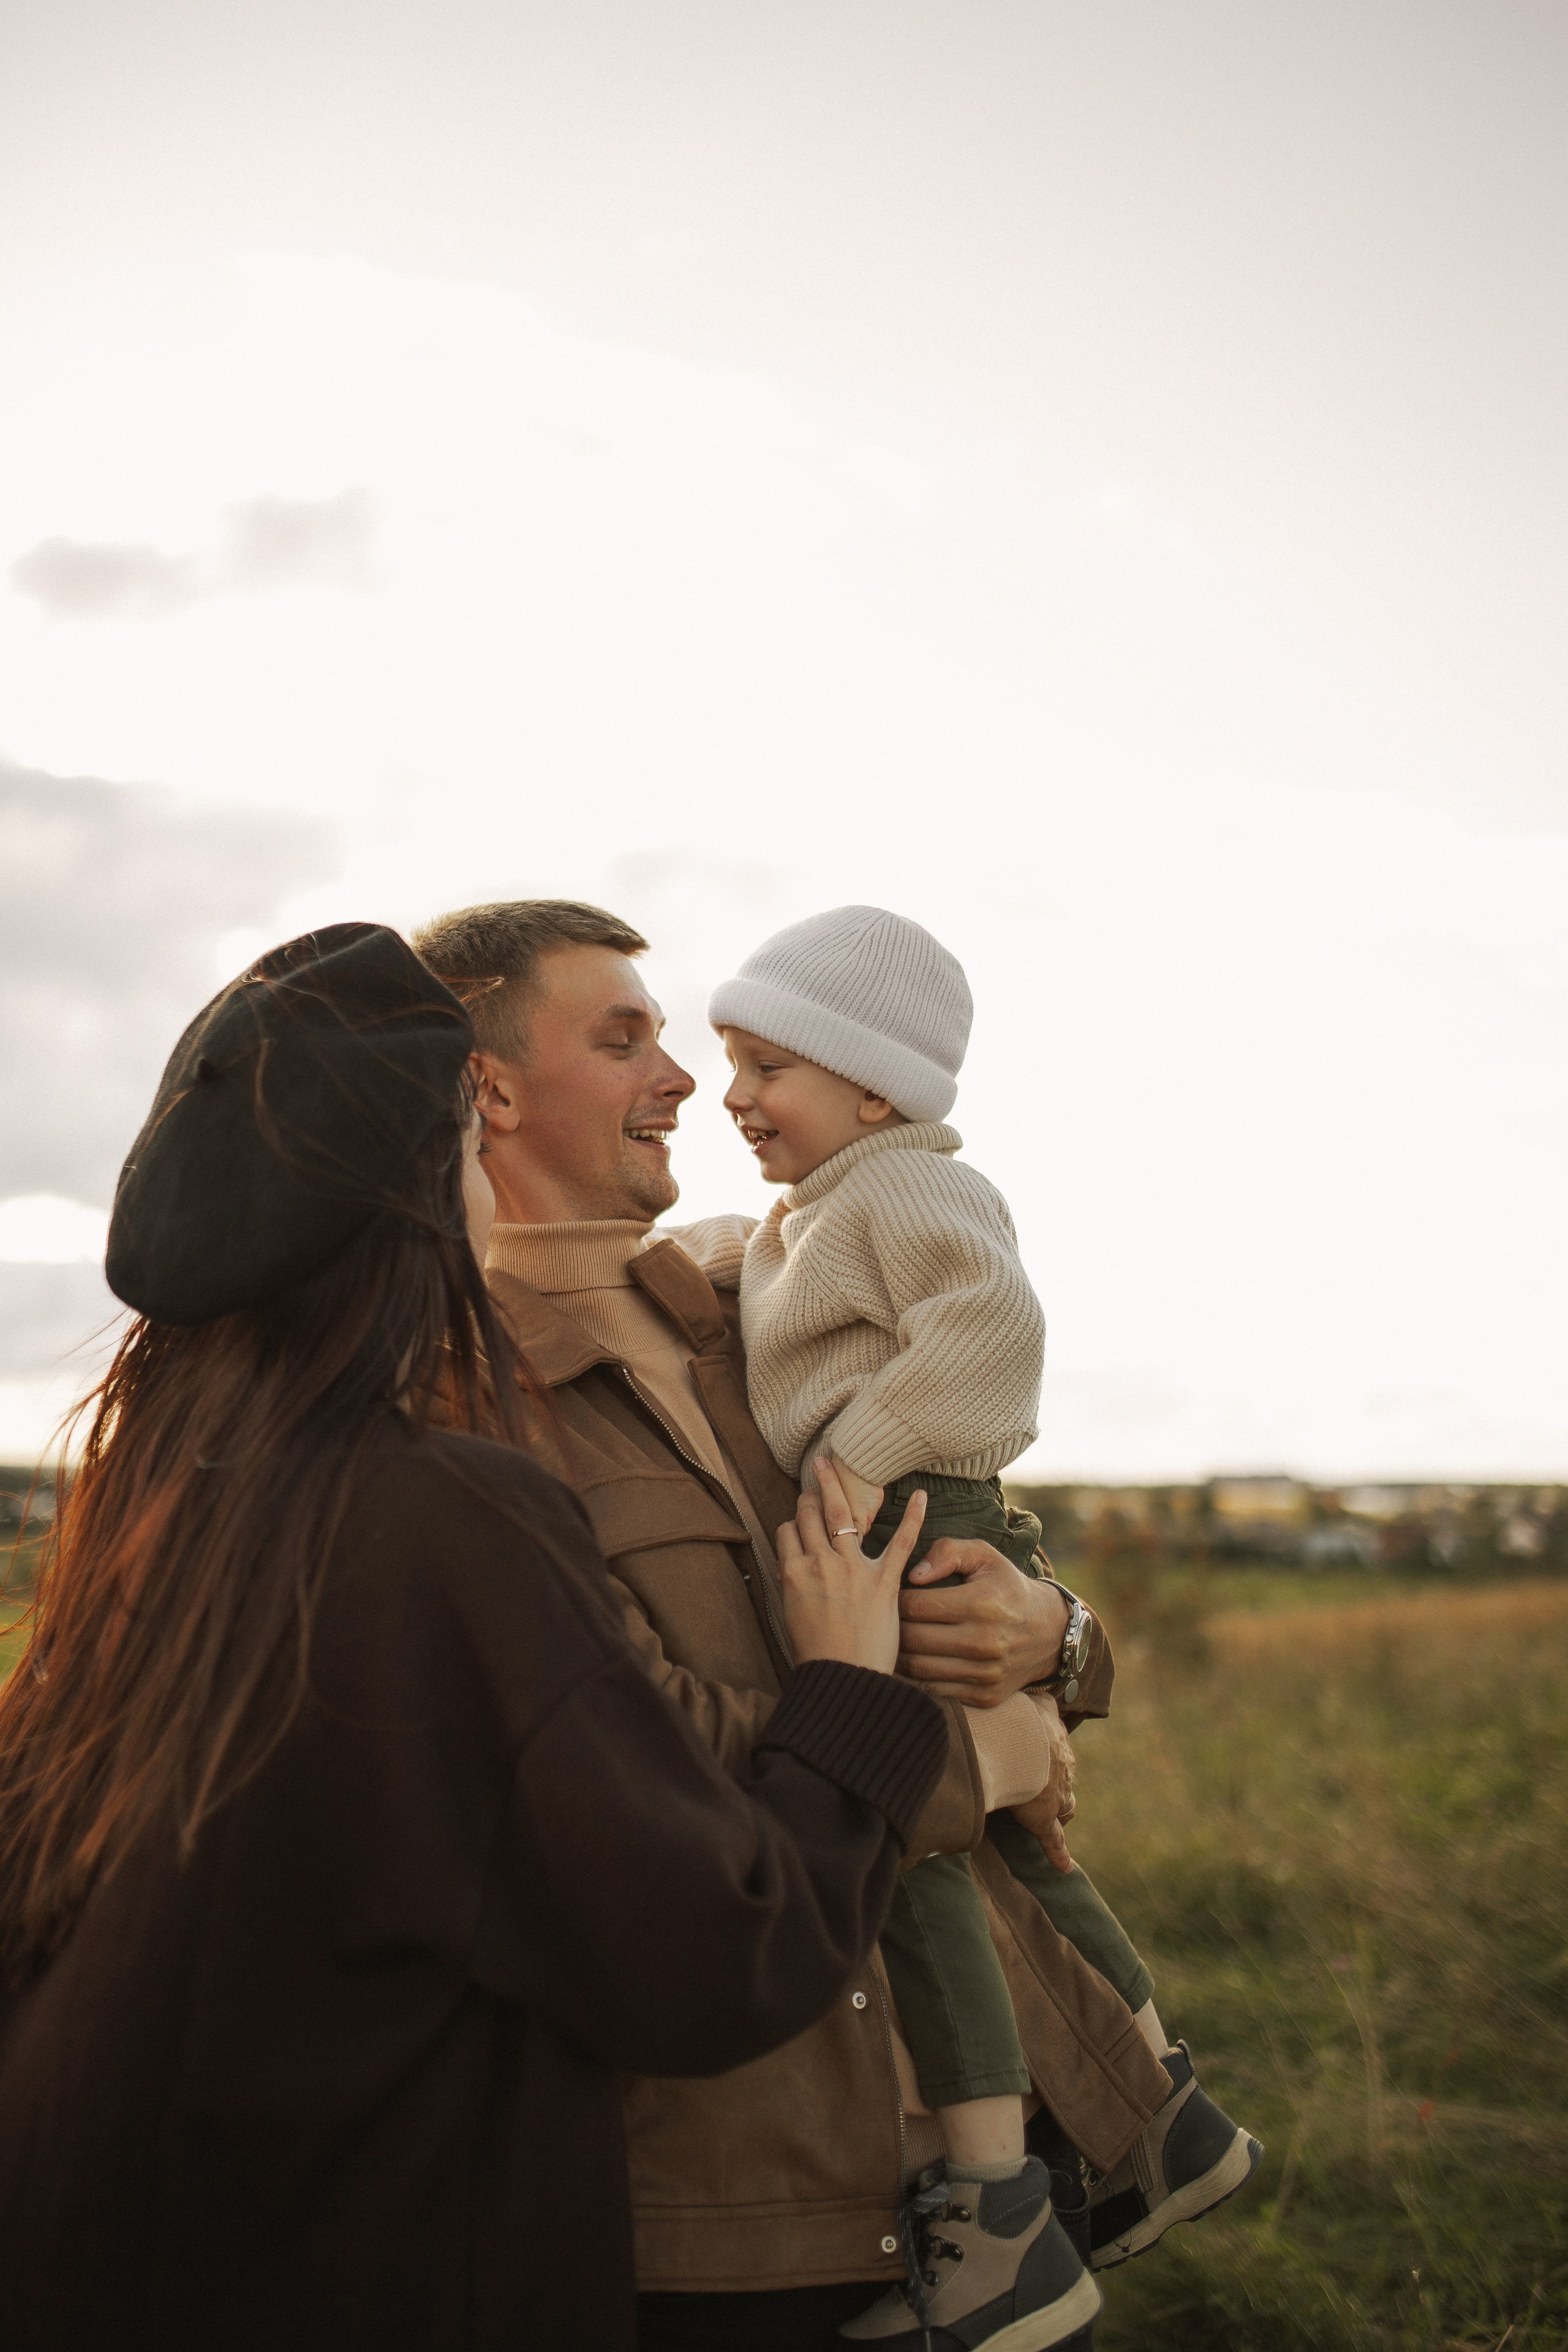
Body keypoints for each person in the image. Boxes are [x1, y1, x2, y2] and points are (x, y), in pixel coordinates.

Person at [0, 922, 976, 2352]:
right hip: (358, 2268)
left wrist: (1053, 1640)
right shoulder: (431, 1511)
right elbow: (712, 1948)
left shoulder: (150, 1513)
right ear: (416, 1199)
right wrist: (845, 1688)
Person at [411, 899, 1240, 2352]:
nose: (687, 1083)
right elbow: (639, 1768)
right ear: (486, 1086)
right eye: (627, 1041)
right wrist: (987, 1747)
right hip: (744, 2198)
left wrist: (1054, 1641)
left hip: (979, 2143)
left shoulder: (744, 1303)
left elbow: (960, 1522)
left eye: (684, 1042)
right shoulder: (460, 1397)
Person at [700, 906, 1262, 2345]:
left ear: (874, 1087)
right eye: (728, 1061)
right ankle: (1166, 2116)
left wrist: (855, 1464)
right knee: (1003, 1833)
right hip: (913, 1514)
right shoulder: (817, 1209)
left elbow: (991, 1337)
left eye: (766, 1065)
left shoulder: (902, 1191)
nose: (732, 1095)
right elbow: (772, 1287)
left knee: (909, 1842)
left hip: (909, 1522)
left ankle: (993, 2198)